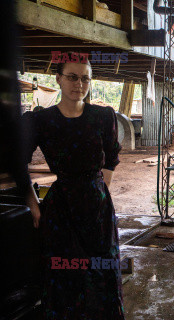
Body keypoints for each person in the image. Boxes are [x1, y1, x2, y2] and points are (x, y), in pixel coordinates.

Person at [23, 53, 125, 319]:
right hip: (61, 211)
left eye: (85, 78)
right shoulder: (41, 120)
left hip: (98, 210)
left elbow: (111, 159)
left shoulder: (103, 116)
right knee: (64, 277)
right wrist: (34, 206)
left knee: (101, 274)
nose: (78, 84)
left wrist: (101, 193)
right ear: (58, 79)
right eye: (72, 77)